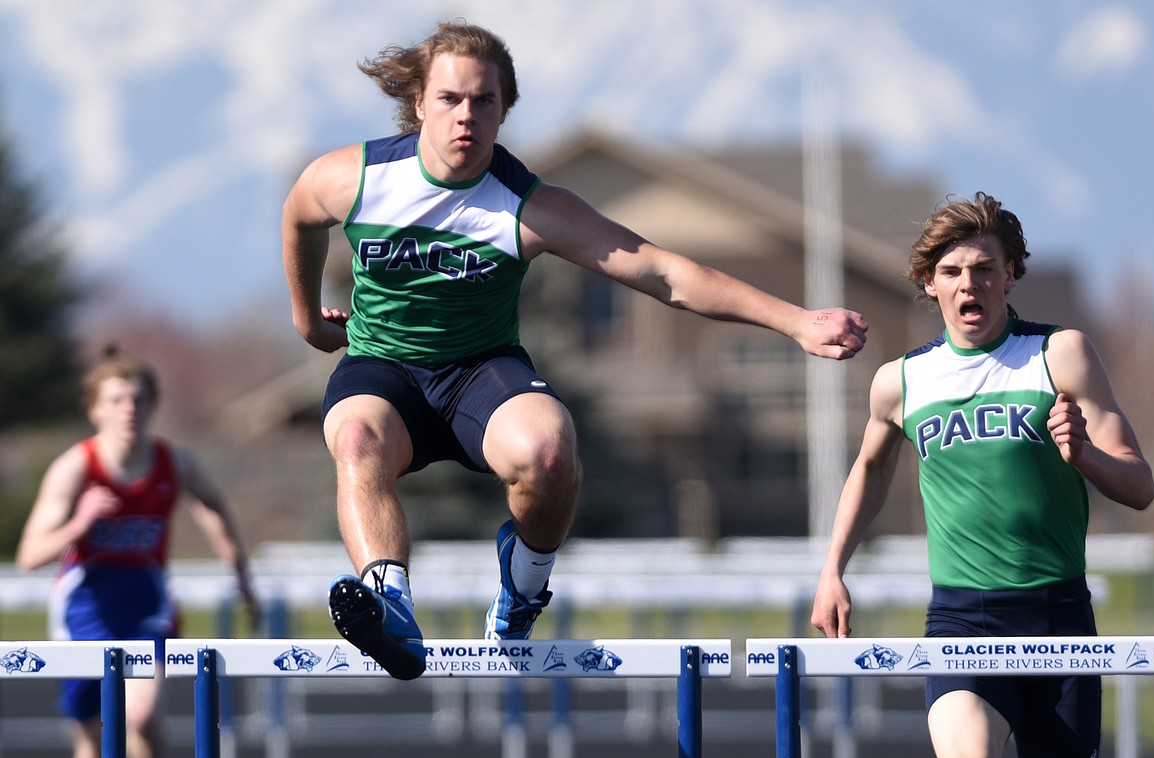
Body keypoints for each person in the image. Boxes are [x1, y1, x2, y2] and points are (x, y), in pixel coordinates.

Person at [282, 19, 869, 682]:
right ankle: (389, 609)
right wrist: (308, 322)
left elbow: (663, 272)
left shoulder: (529, 208)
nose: (465, 117)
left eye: (484, 102)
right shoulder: (352, 178)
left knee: (552, 452)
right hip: (383, 369)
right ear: (419, 103)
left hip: (479, 371)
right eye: (450, 99)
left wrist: (795, 321)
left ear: (505, 111)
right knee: (357, 437)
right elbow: (299, 216)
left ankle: (523, 588)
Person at [810, 192, 1154, 758]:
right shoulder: (900, 382)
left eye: (984, 269)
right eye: (951, 272)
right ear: (929, 284)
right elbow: (870, 469)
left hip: (1058, 615)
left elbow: (1140, 486)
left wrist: (1083, 454)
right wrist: (832, 570)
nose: (968, 285)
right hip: (964, 619)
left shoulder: (1058, 355)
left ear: (1011, 276)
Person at [16, 346, 260, 758]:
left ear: (152, 405)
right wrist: (80, 522)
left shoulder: (176, 463)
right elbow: (30, 555)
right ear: (95, 410)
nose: (129, 410)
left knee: (143, 720)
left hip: (147, 605)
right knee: (94, 753)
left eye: (138, 399)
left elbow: (214, 507)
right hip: (84, 610)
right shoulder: (76, 468)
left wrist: (242, 577)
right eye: (116, 400)